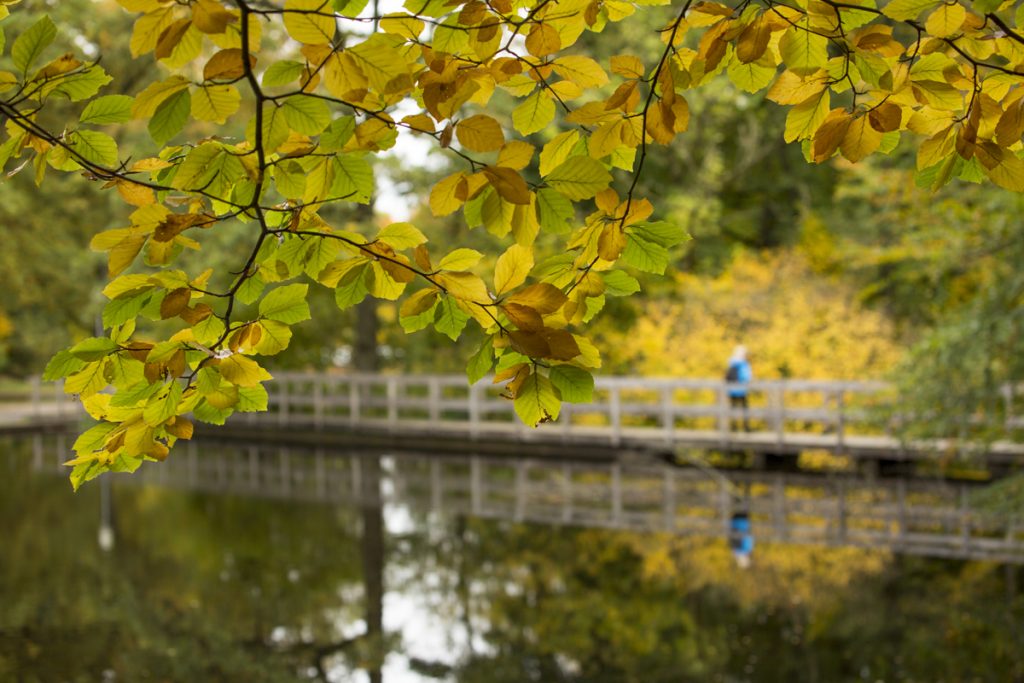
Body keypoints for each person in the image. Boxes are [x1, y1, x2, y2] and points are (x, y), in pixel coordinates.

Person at [725, 345, 752, 432]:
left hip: (731, 390)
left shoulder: (731, 362)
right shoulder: (744, 364)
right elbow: (747, 377)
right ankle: (746, 427)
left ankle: (733, 427)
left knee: (733, 408)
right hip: (742, 390)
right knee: (745, 408)